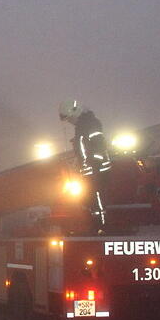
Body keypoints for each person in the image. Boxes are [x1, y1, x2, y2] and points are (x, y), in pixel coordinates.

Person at [59, 99, 111, 231]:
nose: (70, 122)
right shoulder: (83, 125)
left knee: (96, 198)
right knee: (89, 199)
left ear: (74, 113)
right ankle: (95, 225)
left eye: (69, 118)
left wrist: (95, 163)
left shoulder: (90, 124)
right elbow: (84, 146)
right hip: (90, 170)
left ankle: (101, 227)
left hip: (97, 169)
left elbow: (98, 143)